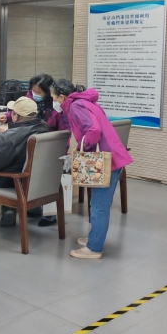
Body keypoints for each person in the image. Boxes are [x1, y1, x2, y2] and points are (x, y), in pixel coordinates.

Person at [57, 86, 132, 259]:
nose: (55, 102)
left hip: (105, 160)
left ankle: (94, 248)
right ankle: (94, 238)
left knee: (99, 206)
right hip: (113, 156)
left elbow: (93, 130)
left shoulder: (75, 106)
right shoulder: (86, 101)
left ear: (61, 96)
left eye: (54, 97)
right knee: (99, 203)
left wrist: (82, 147)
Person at [0, 96, 49, 231]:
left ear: (16, 116)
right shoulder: (44, 127)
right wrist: (7, 135)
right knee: (8, 163)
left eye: (13, 112)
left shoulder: (10, 138)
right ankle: (8, 209)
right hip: (29, 180)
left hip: (6, 181)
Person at [0, 74, 60, 226]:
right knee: (25, 167)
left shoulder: (56, 105)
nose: (35, 94)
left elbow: (63, 129)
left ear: (48, 92)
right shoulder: (29, 97)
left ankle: (48, 213)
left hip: (48, 145)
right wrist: (8, 116)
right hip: (29, 142)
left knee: (40, 174)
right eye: (33, 90)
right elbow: (22, 111)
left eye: (39, 92)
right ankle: (32, 207)